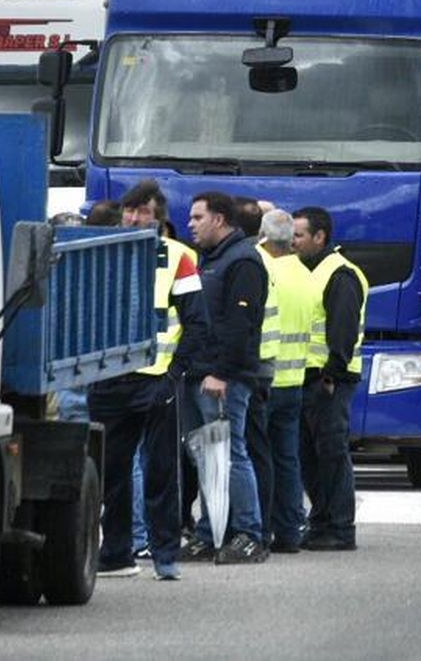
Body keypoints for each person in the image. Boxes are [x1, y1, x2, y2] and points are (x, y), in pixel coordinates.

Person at [88, 179, 207, 582]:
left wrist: (175, 372)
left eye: (143, 211)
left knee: (160, 471)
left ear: (159, 219)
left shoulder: (180, 257)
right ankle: (117, 553)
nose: (134, 217)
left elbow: (197, 322)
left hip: (157, 379)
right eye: (130, 210)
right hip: (110, 378)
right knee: (112, 471)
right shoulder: (102, 251)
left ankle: (165, 555)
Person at [178, 190, 269, 564]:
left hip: (223, 378)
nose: (190, 224)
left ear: (219, 219)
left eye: (198, 217)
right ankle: (210, 531)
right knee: (206, 455)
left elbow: (240, 324)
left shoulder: (243, 261)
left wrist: (221, 373)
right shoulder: (210, 259)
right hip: (200, 372)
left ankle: (249, 534)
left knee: (231, 454)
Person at [293, 206, 367, 551]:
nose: (293, 241)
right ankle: (321, 522)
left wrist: (331, 375)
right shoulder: (311, 270)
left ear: (319, 237)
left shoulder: (339, 274)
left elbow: (343, 329)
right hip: (311, 377)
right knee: (311, 455)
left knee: (332, 454)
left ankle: (340, 528)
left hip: (330, 379)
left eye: (299, 235)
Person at [257, 209, 312, 553]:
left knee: (257, 457)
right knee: (287, 459)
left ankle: (259, 526)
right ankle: (291, 530)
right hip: (295, 379)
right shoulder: (303, 272)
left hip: (265, 378)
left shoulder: (262, 268)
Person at [231, 195, 278, 548]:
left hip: (249, 369)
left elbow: (243, 322)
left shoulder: (245, 263)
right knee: (258, 451)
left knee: (246, 451)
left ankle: (253, 527)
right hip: (264, 368)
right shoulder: (263, 259)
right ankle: (262, 525)